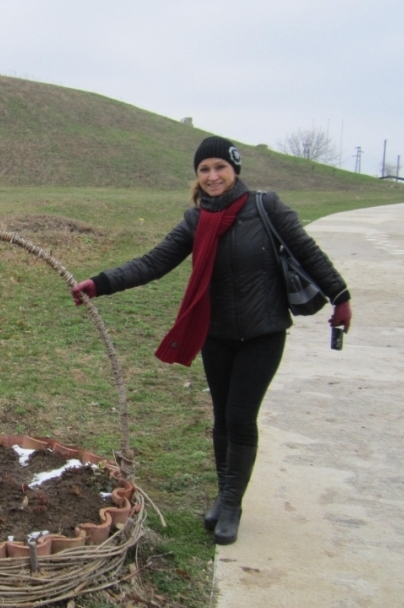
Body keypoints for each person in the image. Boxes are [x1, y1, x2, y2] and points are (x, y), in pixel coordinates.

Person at [71, 136, 352, 545]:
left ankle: (232, 505)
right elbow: (154, 262)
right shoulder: (196, 220)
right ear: (197, 177)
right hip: (216, 335)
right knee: (221, 417)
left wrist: (340, 298)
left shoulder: (265, 207)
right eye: (204, 170)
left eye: (220, 167)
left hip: (264, 332)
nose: (212, 176)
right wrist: (101, 283)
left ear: (235, 169)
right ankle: (225, 496)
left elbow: (308, 251)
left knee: (240, 417)